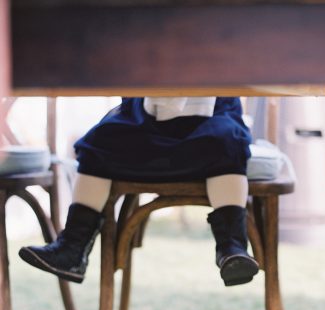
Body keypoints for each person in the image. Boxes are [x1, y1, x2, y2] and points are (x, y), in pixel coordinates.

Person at [19, 96, 259, 287]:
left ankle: (232, 247)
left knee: (229, 141)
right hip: (144, 126)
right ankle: (73, 247)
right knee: (98, 142)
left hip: (210, 126)